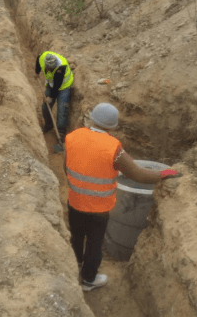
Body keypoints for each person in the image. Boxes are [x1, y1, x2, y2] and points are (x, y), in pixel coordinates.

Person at [64, 103, 181, 292]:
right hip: (99, 209)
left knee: (77, 236)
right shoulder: (112, 148)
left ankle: (75, 264)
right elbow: (138, 175)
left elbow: (66, 167)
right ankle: (88, 280)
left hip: (75, 201)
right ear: (111, 126)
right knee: (94, 243)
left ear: (92, 118)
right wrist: (163, 174)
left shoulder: (72, 137)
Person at [35, 51, 74, 144]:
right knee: (45, 107)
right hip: (51, 84)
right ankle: (48, 125)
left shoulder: (61, 67)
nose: (50, 70)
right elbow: (38, 58)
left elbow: (56, 86)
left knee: (62, 108)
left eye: (52, 69)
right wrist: (37, 71)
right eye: (49, 69)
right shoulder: (42, 57)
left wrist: (50, 97)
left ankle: (61, 132)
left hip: (64, 86)